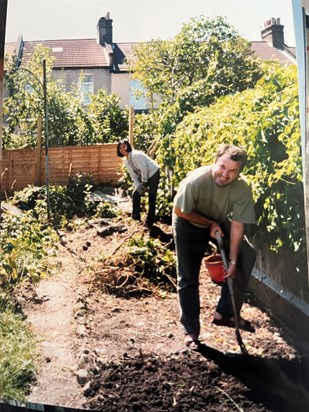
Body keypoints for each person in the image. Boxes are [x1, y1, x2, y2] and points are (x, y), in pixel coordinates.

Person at [172, 144, 257, 351]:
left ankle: (225, 314)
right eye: (222, 167)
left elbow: (237, 225)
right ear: (215, 160)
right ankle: (191, 330)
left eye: (232, 171)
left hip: (217, 221)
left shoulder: (241, 188)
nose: (225, 174)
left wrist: (234, 261)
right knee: (188, 276)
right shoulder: (196, 180)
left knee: (246, 254)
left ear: (239, 172)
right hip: (188, 222)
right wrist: (210, 224)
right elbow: (180, 210)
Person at [117, 140, 160, 228]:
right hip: (145, 176)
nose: (122, 149)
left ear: (128, 146)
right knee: (135, 194)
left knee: (152, 196)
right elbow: (133, 176)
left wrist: (144, 182)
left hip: (153, 172)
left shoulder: (136, 155)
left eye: (124, 146)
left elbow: (143, 167)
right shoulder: (126, 161)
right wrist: (139, 186)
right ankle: (136, 217)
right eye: (120, 148)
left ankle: (150, 220)